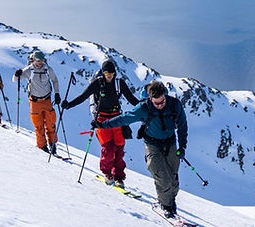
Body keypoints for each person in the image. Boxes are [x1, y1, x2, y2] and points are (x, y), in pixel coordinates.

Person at [95, 81, 187, 218]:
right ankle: (165, 205)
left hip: (170, 142)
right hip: (152, 144)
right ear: (150, 99)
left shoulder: (174, 105)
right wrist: (103, 124)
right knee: (162, 176)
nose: (160, 105)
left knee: (173, 179)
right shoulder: (144, 108)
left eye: (162, 102)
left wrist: (182, 146)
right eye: (157, 103)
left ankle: (170, 201)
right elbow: (124, 119)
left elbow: (182, 125)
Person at [62, 59, 138, 187]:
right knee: (108, 148)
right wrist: (69, 105)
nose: (109, 75)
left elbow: (132, 100)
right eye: (107, 72)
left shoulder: (119, 84)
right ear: (103, 73)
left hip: (116, 119)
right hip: (101, 120)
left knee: (119, 148)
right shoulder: (97, 83)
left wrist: (146, 108)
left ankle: (119, 177)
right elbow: (83, 96)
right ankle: (107, 173)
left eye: (112, 73)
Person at [13, 50, 61, 153]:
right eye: (37, 60)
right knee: (38, 126)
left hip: (47, 100)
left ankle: (52, 145)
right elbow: (15, 79)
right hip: (34, 102)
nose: (40, 62)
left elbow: (55, 80)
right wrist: (17, 74)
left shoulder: (48, 69)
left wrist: (57, 93)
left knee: (51, 123)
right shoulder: (28, 70)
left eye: (41, 60)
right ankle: (42, 147)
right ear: (33, 60)